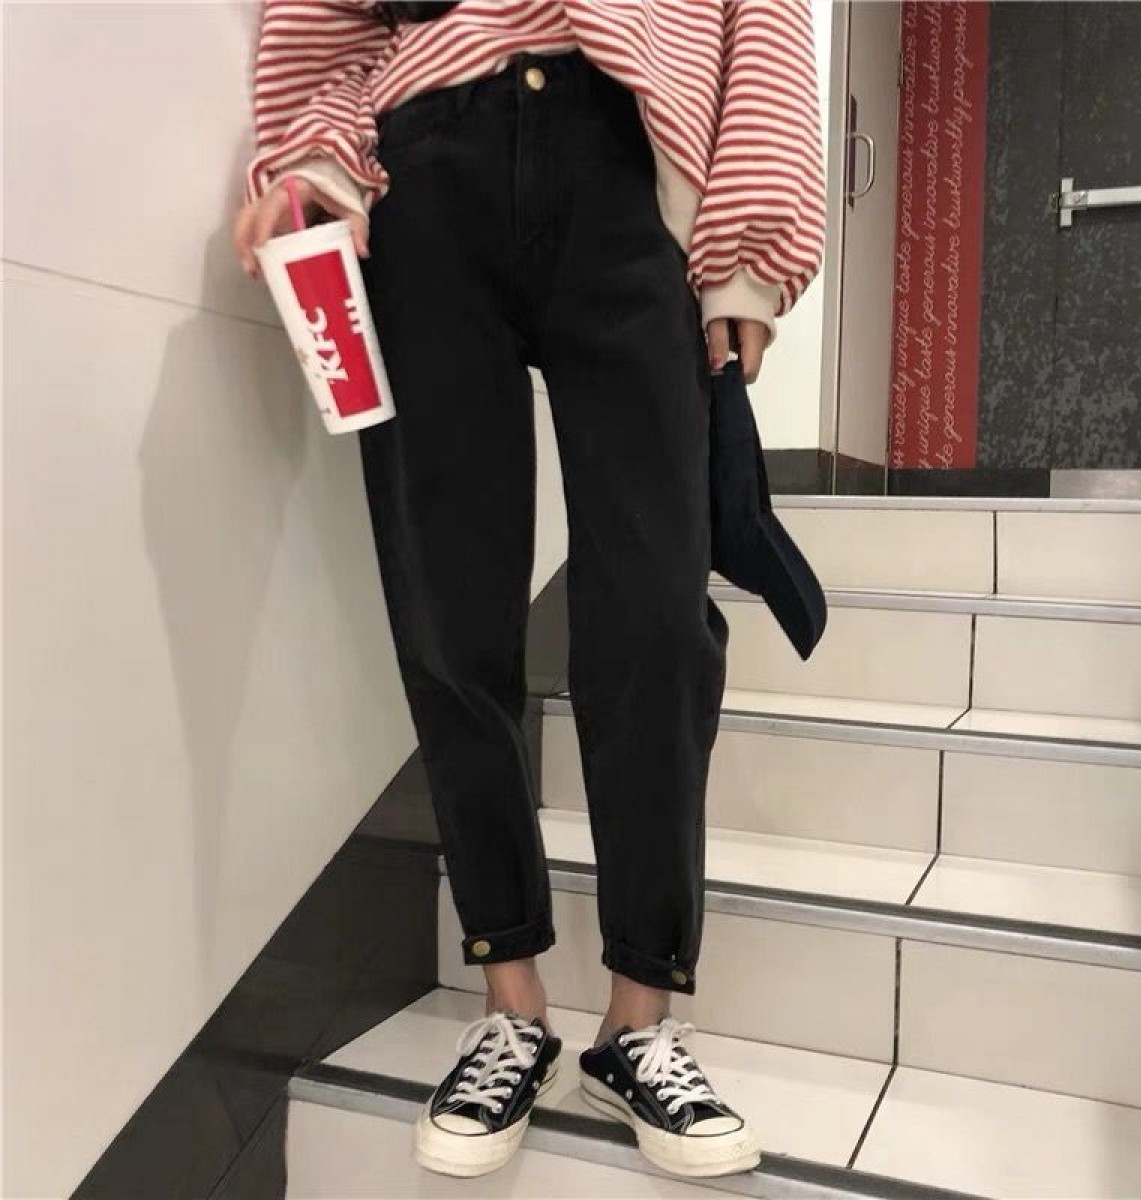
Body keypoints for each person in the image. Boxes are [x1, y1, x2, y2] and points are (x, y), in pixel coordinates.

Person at [234, 0, 824, 1181]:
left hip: (628, 155)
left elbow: (760, 21)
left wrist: (748, 253)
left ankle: (639, 1020)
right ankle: (512, 1004)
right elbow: (329, 26)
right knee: (448, 602)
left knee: (657, 616)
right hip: (424, 163)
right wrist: (312, 157)